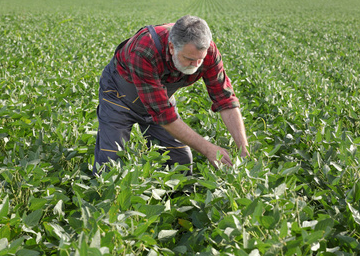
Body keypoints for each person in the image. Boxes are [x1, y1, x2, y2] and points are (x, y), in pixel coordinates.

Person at [93, 15, 248, 175]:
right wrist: (208, 149)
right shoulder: (145, 49)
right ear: (172, 47)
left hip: (159, 97)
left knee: (180, 162)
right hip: (119, 97)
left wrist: (243, 148)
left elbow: (225, 100)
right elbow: (164, 115)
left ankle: (172, 196)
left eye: (200, 60)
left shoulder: (207, 51)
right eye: (189, 59)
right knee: (110, 164)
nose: (196, 65)